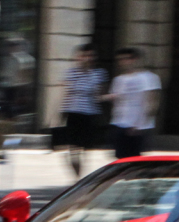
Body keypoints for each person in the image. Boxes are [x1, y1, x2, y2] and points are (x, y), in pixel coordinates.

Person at [104, 47, 160, 159]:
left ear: (136, 59)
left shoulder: (148, 77)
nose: (123, 62)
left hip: (138, 125)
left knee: (134, 158)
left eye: (127, 59)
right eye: (120, 59)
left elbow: (151, 102)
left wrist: (139, 124)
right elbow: (116, 99)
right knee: (120, 157)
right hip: (119, 123)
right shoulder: (119, 79)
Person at [60, 43, 107, 176]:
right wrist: (61, 111)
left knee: (85, 149)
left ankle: (80, 176)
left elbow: (99, 95)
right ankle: (77, 175)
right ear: (78, 57)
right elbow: (67, 93)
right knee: (73, 149)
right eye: (84, 56)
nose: (87, 58)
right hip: (73, 113)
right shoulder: (71, 73)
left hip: (89, 114)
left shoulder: (98, 74)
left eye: (90, 56)